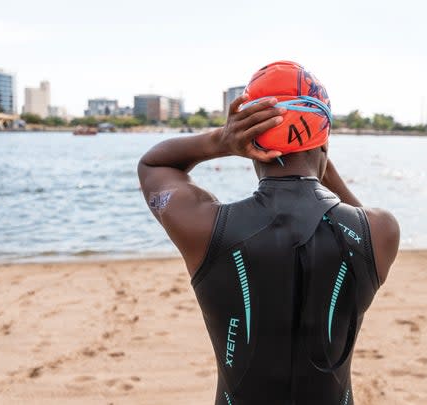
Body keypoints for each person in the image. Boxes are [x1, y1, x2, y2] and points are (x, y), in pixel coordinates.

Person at [138, 61, 400, 405]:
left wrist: (220, 140)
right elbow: (356, 214)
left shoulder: (206, 229)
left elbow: (154, 165)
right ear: (324, 142)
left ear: (247, 140)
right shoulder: (378, 233)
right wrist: (319, 148)